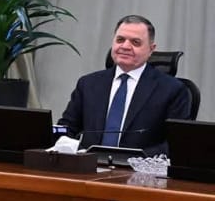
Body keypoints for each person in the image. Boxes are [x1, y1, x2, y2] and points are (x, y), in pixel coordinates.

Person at [58, 15, 190, 156]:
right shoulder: (88, 84)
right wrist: (55, 137)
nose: (125, 46)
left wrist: (133, 159)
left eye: (135, 42)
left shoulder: (173, 90)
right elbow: (66, 128)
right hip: (88, 164)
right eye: (120, 40)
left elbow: (177, 144)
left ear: (151, 49)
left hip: (140, 167)